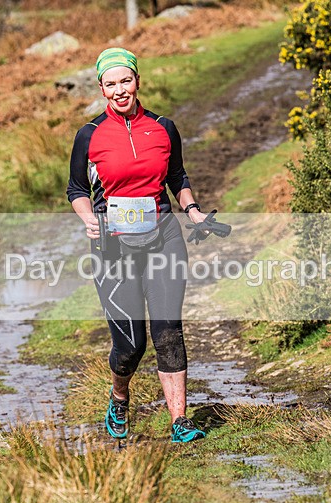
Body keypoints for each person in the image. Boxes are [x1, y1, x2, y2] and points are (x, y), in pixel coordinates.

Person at [67, 47, 219, 443]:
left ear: (138, 81)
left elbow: (178, 177)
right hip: (113, 247)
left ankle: (179, 421)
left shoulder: (163, 127)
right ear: (102, 88)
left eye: (126, 81)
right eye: (111, 84)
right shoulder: (90, 134)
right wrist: (88, 219)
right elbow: (77, 189)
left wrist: (194, 211)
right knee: (130, 345)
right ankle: (119, 396)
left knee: (168, 331)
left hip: (164, 236)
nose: (120, 91)